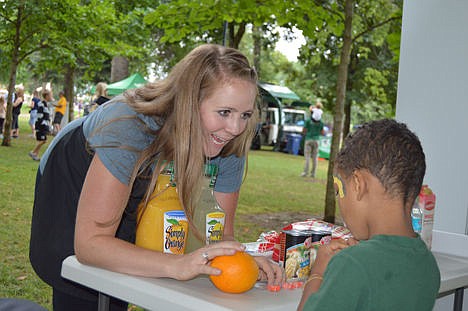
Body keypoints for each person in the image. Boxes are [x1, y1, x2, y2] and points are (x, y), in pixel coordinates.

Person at [29, 44, 283, 311]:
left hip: (139, 177)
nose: (235, 128)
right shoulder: (130, 124)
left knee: (130, 273)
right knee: (88, 287)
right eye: (224, 112)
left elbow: (218, 234)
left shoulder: (230, 137)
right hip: (73, 176)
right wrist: (177, 265)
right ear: (189, 101)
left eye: (245, 115)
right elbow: (91, 245)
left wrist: (243, 259)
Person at [297, 119, 440, 311]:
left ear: (358, 184)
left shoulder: (352, 263)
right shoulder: (427, 263)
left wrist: (318, 272)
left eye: (339, 190)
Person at [301, 102, 324, 178]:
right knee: (315, 158)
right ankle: (313, 173)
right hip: (316, 140)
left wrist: (305, 133)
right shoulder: (321, 122)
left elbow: (304, 130)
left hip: (308, 139)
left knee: (307, 157)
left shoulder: (308, 121)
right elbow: (322, 132)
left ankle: (305, 172)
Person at [29, 89, 52, 161]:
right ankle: (33, 152)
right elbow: (39, 116)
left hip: (44, 125)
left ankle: (35, 155)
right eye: (50, 95)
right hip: (41, 126)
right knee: (43, 140)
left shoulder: (46, 104)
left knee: (40, 140)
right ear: (46, 96)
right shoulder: (42, 104)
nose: (51, 97)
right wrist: (40, 125)